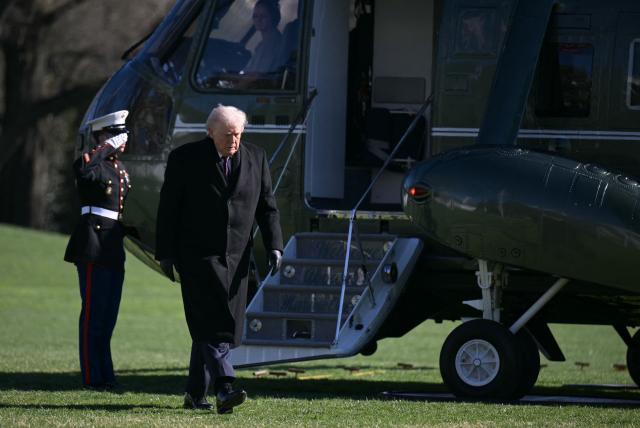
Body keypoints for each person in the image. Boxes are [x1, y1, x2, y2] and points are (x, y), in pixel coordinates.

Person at [155, 105, 283, 414]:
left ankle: (195, 394)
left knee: (223, 325)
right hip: (197, 255)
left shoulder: (256, 157)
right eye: (228, 135)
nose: (234, 140)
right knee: (210, 321)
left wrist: (275, 245)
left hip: (237, 257)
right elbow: (169, 208)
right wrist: (166, 253)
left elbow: (267, 206)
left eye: (239, 134)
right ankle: (225, 387)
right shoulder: (184, 158)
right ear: (210, 132)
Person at [64, 110, 131, 389]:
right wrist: (105, 147)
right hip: (92, 243)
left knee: (108, 315)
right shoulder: (93, 163)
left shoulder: (119, 170)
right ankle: (92, 377)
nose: (122, 140)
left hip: (112, 246)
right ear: (103, 136)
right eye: (116, 134)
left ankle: (106, 374)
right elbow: (82, 170)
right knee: (93, 313)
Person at [243, 0, 283, 74]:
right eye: (255, 16)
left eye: (263, 16)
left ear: (273, 17)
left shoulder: (274, 44)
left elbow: (257, 76)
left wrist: (239, 85)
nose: (258, 20)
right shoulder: (262, 45)